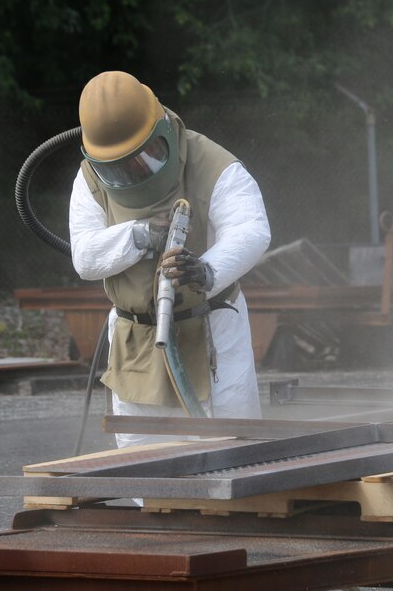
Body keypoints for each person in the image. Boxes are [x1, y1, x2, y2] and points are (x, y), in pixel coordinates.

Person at [69, 71, 271, 450]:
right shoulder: (91, 179)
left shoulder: (212, 162)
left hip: (209, 328)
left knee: (230, 450)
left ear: (162, 130)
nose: (133, 173)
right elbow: (85, 256)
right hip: (135, 338)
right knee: (142, 462)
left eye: (143, 159)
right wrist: (141, 234)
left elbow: (252, 230)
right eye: (120, 167)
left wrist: (206, 270)